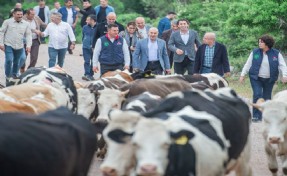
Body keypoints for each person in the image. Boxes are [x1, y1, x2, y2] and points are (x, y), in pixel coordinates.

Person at [240, 34, 287, 122]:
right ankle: (256, 116)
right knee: (257, 94)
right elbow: (248, 64)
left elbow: (282, 65)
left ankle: (266, 116)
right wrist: (242, 75)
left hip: (270, 79)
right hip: (256, 78)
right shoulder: (255, 52)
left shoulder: (276, 53)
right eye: (259, 42)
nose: (259, 43)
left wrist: (285, 75)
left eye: (261, 42)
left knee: (267, 97)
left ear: (267, 43)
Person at [0, 8, 32, 83]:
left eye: (21, 14)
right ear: (14, 14)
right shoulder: (7, 22)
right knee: (9, 60)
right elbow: (1, 33)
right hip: (8, 44)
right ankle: (8, 76)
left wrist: (28, 45)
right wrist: (1, 43)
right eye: (18, 14)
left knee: (16, 62)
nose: (20, 16)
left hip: (20, 46)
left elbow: (28, 35)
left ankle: (14, 75)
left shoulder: (26, 24)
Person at [20, 8, 47, 73]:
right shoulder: (22, 19)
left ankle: (29, 70)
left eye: (34, 14)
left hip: (35, 40)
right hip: (24, 41)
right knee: (23, 57)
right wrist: (34, 30)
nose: (33, 16)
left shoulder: (36, 18)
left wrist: (51, 26)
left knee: (34, 58)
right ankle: (22, 68)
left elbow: (43, 24)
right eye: (32, 14)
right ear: (27, 14)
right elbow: (24, 28)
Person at [82, 15, 97, 81]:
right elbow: (83, 36)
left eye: (88, 20)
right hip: (86, 47)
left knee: (94, 62)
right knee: (87, 61)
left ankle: (91, 75)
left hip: (95, 48)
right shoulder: (85, 27)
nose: (86, 21)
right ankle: (87, 74)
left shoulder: (98, 27)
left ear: (92, 20)